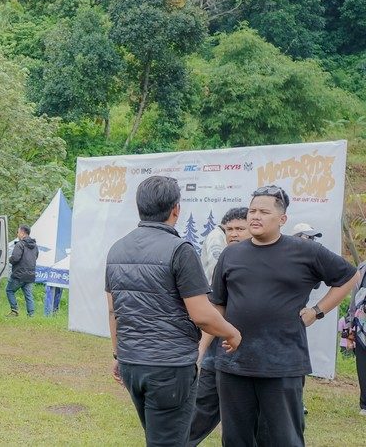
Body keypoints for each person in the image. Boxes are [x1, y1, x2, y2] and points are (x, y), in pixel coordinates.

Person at [210, 185, 358, 446]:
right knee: (235, 439)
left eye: (264, 212)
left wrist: (317, 311)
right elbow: (218, 304)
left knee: (284, 438)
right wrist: (210, 341)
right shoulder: (231, 254)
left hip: (282, 363)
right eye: (252, 211)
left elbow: (349, 276)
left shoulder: (305, 251)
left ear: (282, 219)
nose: (255, 216)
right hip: (234, 363)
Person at [106, 175, 242, 447]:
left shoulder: (117, 249)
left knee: (158, 436)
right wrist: (232, 333)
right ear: (176, 209)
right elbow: (201, 314)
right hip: (169, 367)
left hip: (132, 363)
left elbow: (113, 311)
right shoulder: (180, 250)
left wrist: (118, 354)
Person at [188, 206, 249, 446]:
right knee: (199, 413)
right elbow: (215, 309)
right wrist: (201, 351)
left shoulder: (268, 263)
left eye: (240, 228)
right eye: (229, 229)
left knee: (242, 425)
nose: (233, 234)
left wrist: (314, 312)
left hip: (251, 360)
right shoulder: (223, 262)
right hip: (217, 354)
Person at [344, 259, 366, 416]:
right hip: (362, 322)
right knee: (363, 362)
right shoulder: (363, 267)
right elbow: (354, 298)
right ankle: (365, 404)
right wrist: (350, 324)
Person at [6, 225, 37, 317]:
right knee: (28, 295)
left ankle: (14, 310)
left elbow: (15, 258)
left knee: (9, 290)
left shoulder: (19, 244)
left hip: (19, 274)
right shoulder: (35, 246)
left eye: (18, 232)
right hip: (30, 274)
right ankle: (31, 314)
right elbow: (36, 257)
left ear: (23, 233)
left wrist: (10, 259)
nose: (17, 234)